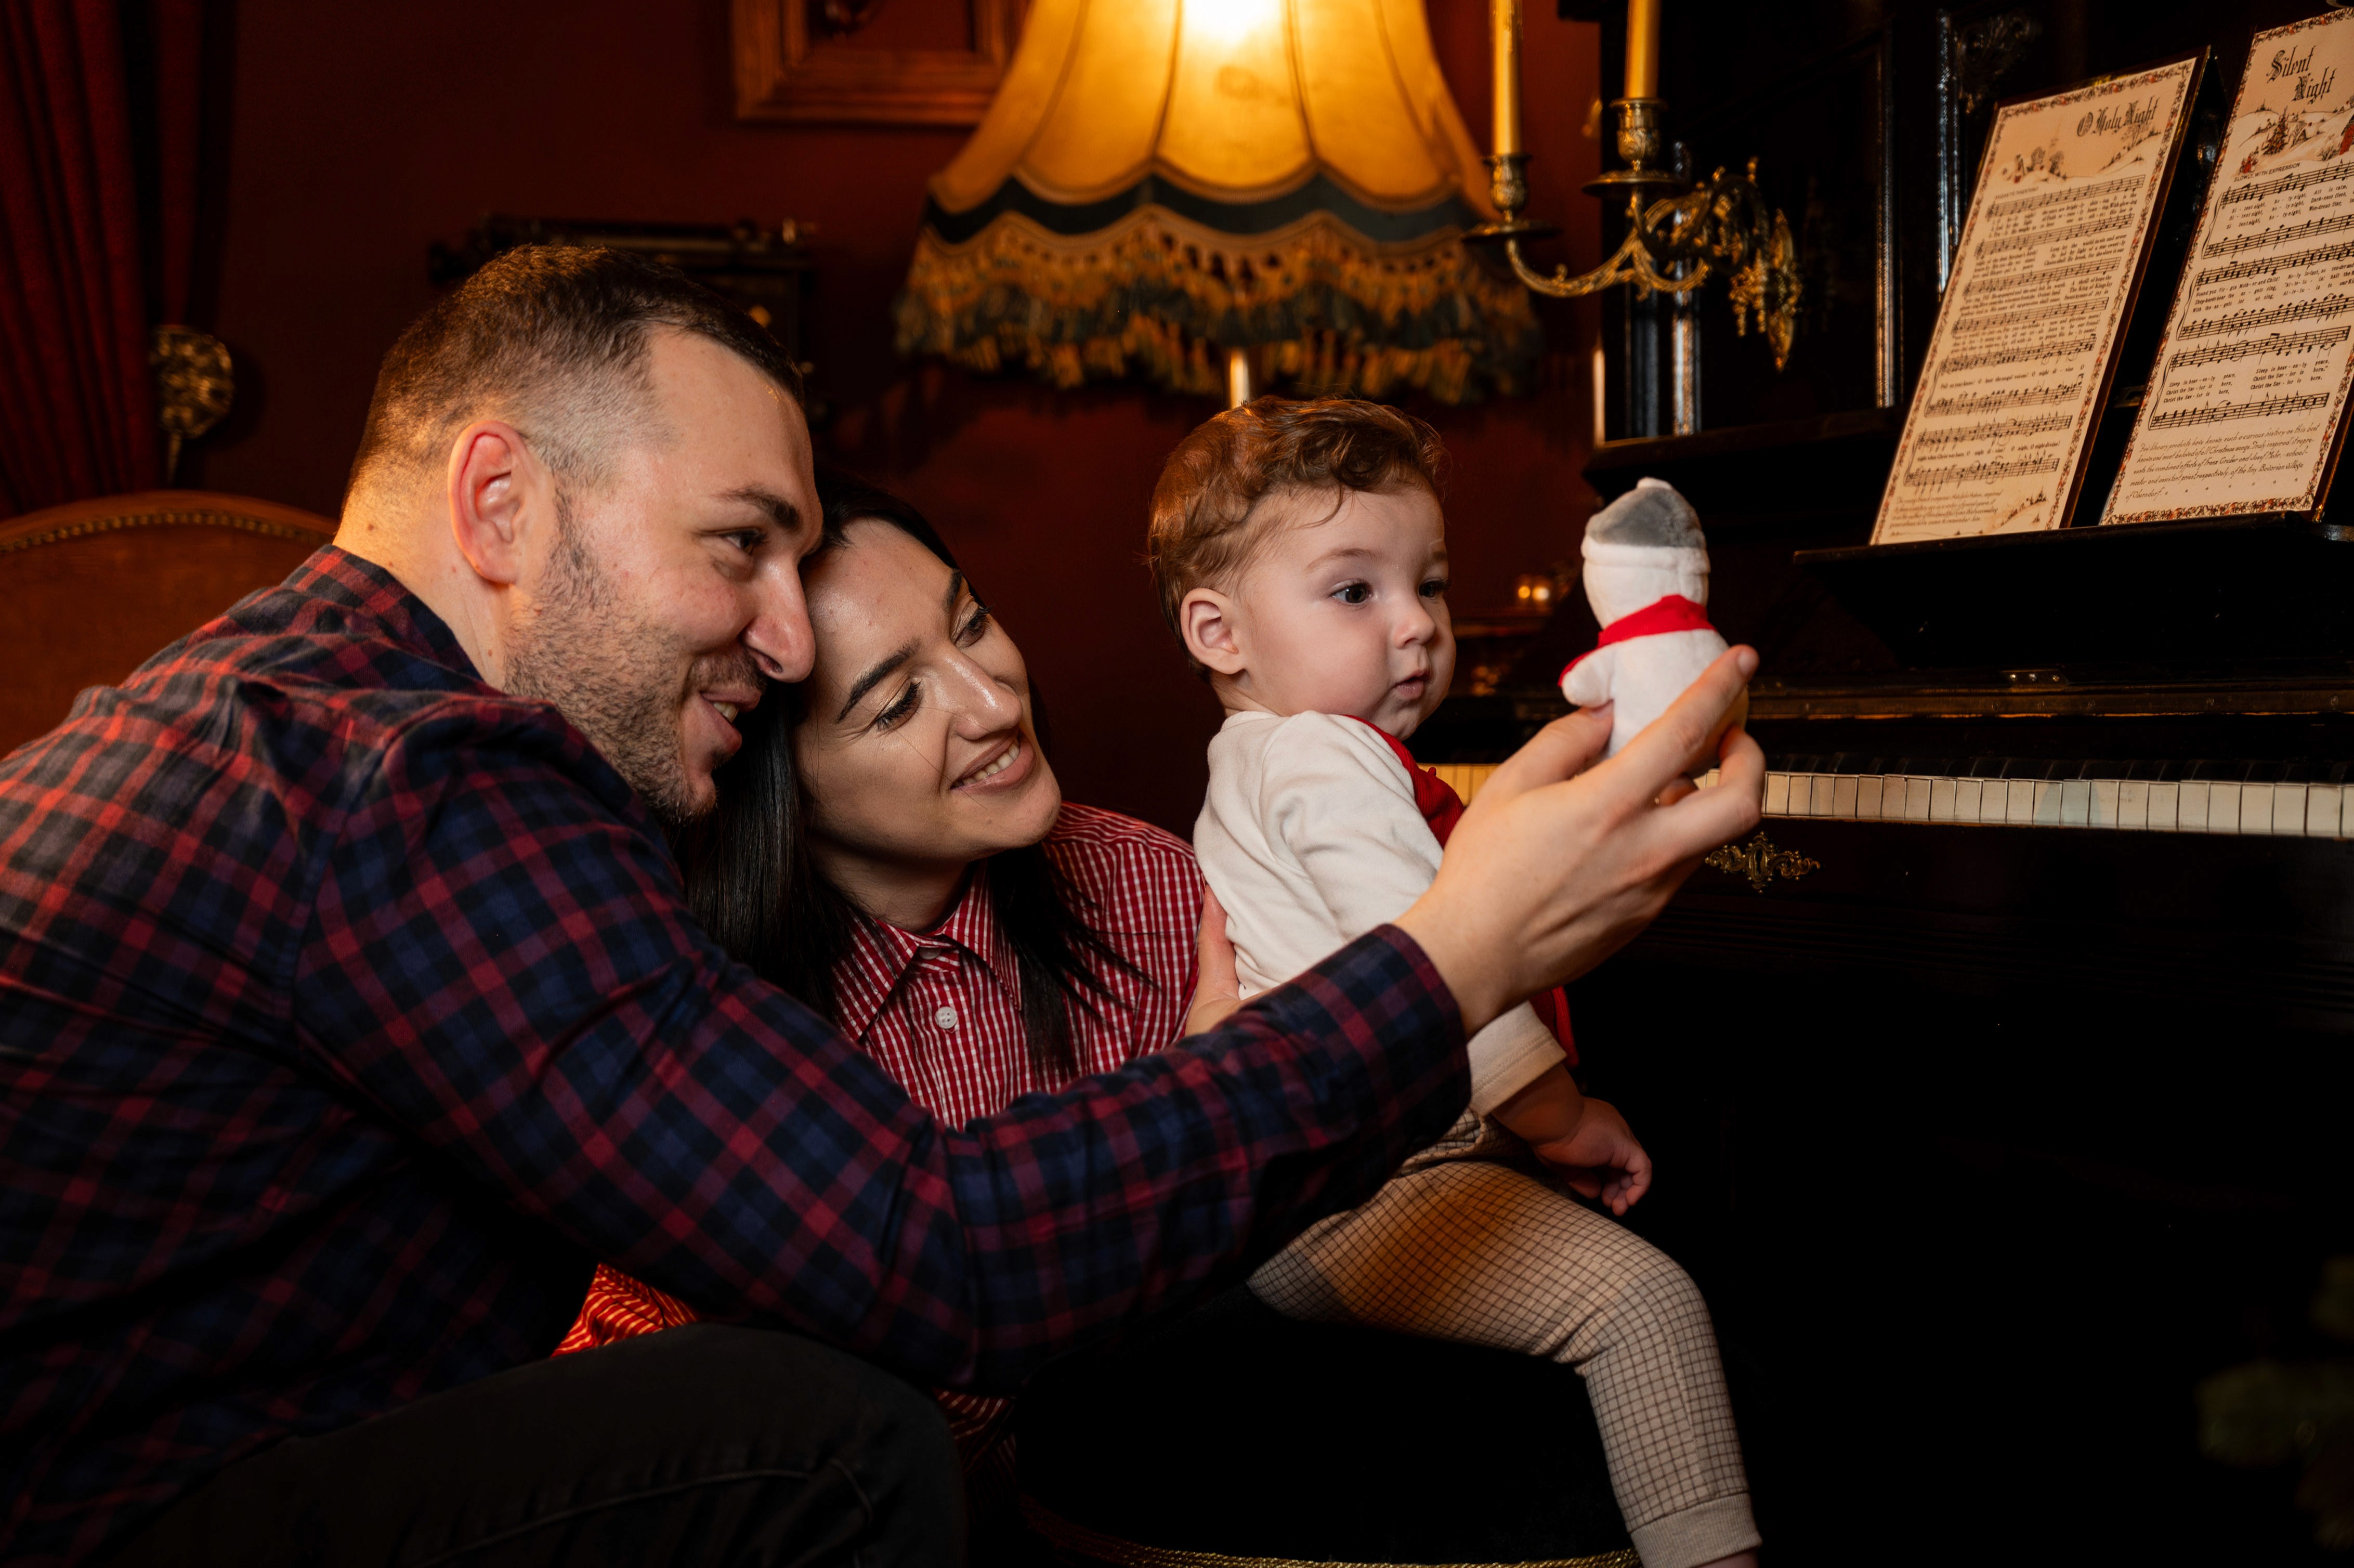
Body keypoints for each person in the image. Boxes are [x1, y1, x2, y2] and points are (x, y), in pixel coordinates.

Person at [0, 246, 1764, 1568]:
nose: (782, 636)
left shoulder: (276, 703)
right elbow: (942, 1256)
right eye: (736, 545)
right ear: (498, 500)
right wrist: (1459, 950)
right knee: (812, 1437)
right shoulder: (409, 769)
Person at [1151, 397, 1759, 1568]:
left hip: (1335, 1179)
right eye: (1352, 591)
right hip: (1360, 1193)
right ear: (1217, 631)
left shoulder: (1270, 756)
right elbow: (1430, 974)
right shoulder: (1320, 759)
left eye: (1424, 584)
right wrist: (1560, 1119)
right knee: (1647, 1305)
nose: (1416, 627)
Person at [558, 474, 1212, 1545]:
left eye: (972, 621)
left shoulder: (1144, 886)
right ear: (780, 777)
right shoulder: (692, 1003)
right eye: (899, 702)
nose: (996, 701)